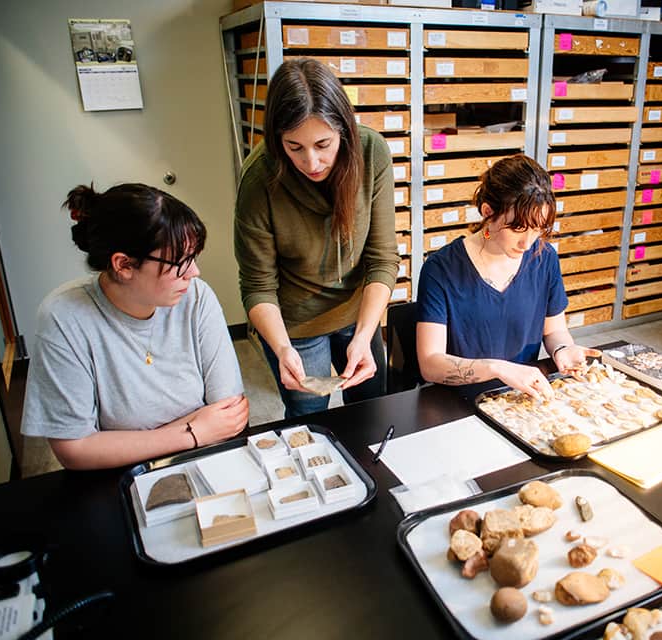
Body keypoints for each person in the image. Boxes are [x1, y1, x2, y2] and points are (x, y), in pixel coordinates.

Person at [21, 183, 249, 470]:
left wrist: (119, 443)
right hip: (119, 475)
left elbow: (229, 415)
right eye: (181, 262)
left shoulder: (196, 296)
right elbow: (74, 449)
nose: (194, 272)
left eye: (194, 258)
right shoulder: (63, 317)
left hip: (203, 461)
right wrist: (194, 432)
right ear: (124, 265)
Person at [234, 58, 399, 418]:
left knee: (372, 412)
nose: (312, 162)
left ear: (344, 129)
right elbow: (258, 285)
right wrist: (280, 348)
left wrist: (364, 333)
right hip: (295, 324)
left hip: (359, 313)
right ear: (278, 140)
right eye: (295, 147)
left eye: (323, 144)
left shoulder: (371, 152)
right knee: (309, 421)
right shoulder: (259, 179)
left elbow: (383, 259)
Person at [416, 154, 601, 399]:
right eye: (517, 228)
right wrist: (498, 369)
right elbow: (430, 364)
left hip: (520, 398)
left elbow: (554, 330)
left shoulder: (544, 259)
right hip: (458, 403)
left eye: (538, 229)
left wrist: (562, 349)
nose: (527, 243)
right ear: (488, 212)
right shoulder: (441, 269)